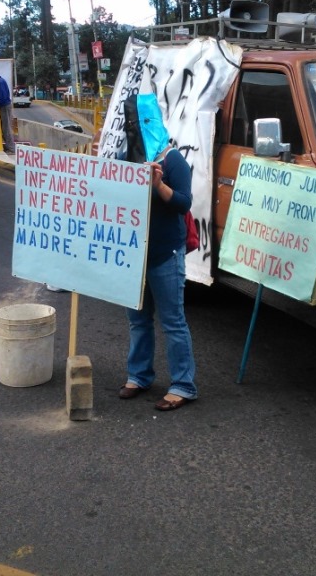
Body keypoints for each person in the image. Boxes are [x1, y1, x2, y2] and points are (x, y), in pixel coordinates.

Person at [118, 94, 198, 412]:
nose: (134, 130)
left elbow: (183, 203)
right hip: (133, 255)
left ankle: (183, 385)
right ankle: (139, 376)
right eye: (130, 125)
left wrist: (158, 185)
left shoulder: (173, 160)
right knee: (138, 321)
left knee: (173, 322)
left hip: (165, 253)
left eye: (139, 123)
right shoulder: (126, 156)